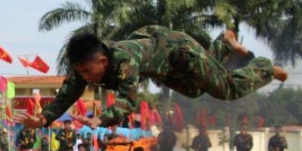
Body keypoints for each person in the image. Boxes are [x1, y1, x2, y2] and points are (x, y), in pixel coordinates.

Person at [20, 28, 285, 130]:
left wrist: (101, 118)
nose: (85, 78)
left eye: (88, 73)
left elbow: (128, 101)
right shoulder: (87, 66)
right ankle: (224, 43)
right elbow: (68, 92)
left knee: (227, 88)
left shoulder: (125, 61)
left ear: (103, 61)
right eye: (81, 73)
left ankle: (264, 67)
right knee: (194, 90)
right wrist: (44, 118)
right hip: (164, 65)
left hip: (181, 52)